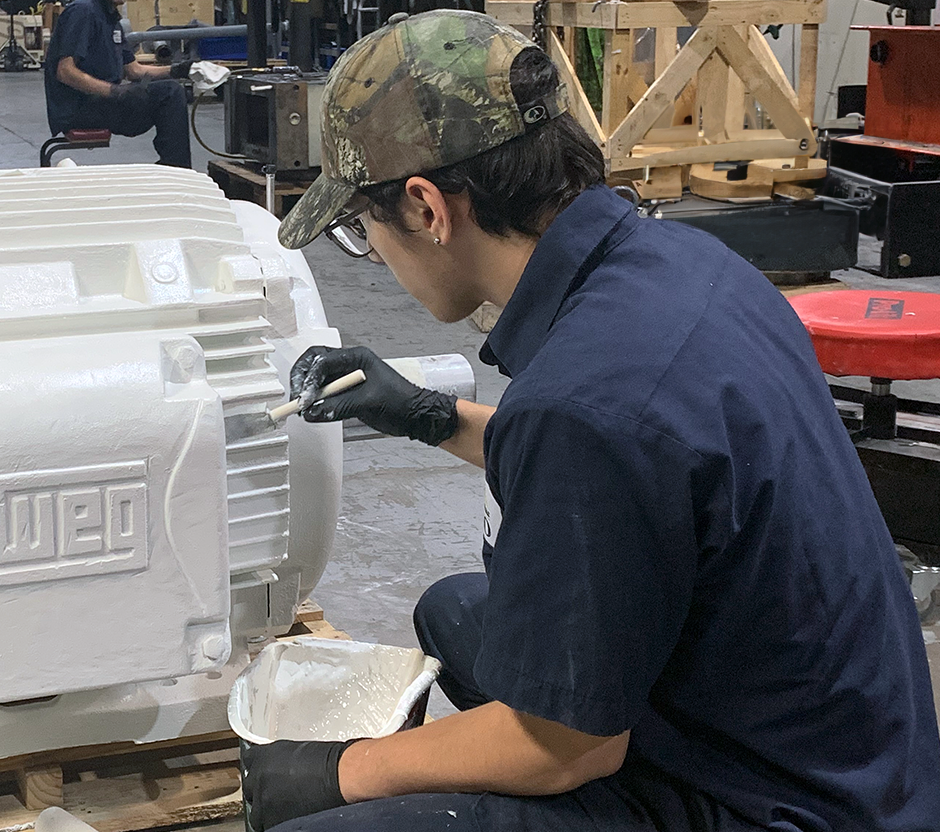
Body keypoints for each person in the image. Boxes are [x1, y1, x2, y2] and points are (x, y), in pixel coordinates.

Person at [241, 10, 940, 832]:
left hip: (779, 803)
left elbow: (566, 748)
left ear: (427, 207)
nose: (375, 253)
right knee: (454, 613)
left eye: (363, 228)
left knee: (324, 823)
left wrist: (342, 770)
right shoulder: (683, 265)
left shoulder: (584, 403)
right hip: (850, 743)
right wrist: (426, 415)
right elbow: (626, 469)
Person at [42, 0, 193, 167]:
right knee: (170, 93)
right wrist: (114, 91)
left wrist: (179, 70)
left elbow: (134, 70)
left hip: (102, 102)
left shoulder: (111, 18)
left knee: (170, 90)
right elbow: (65, 71)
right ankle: (176, 168)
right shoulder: (83, 11)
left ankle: (173, 167)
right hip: (78, 108)